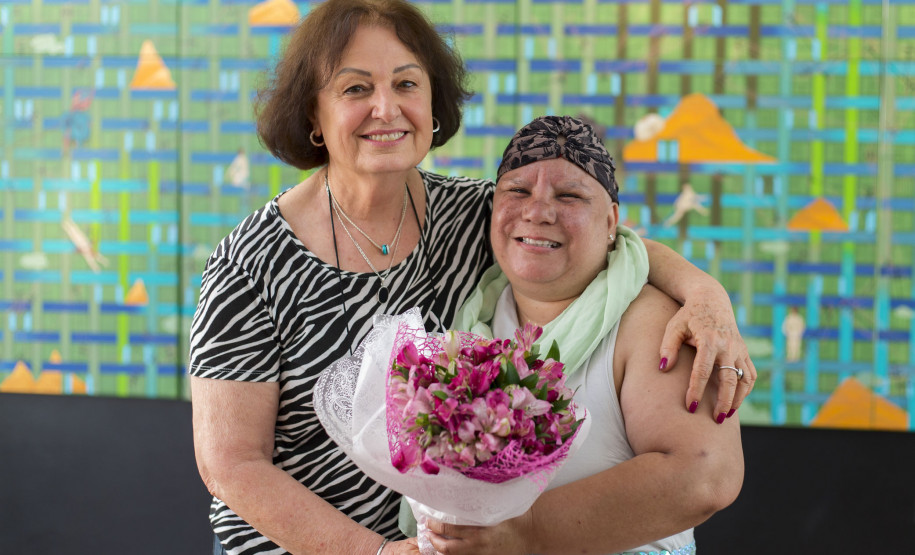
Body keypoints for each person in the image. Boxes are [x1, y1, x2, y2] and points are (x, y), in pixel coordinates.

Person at [188, 1, 754, 553]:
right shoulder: (250, 264)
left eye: (406, 84)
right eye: (356, 88)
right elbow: (231, 465)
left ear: (433, 104)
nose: (386, 108)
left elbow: (593, 241)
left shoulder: (473, 215)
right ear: (313, 114)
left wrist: (706, 295)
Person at [424, 116, 745, 554]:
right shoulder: (471, 314)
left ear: (612, 221)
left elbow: (706, 474)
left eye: (569, 195)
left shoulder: (653, 323)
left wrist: (527, 531)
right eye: (517, 191)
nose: (536, 211)